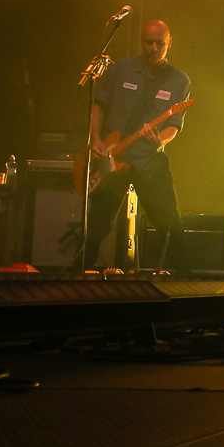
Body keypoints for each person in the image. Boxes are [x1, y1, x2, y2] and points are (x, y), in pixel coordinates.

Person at [82, 19, 191, 272]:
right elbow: (99, 105)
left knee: (169, 223)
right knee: (96, 225)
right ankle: (75, 276)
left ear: (170, 43)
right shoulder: (121, 68)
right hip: (111, 159)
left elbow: (174, 125)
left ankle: (186, 279)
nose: (153, 48)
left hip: (148, 161)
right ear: (140, 42)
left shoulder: (179, 80)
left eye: (159, 43)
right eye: (148, 42)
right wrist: (95, 140)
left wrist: (159, 140)